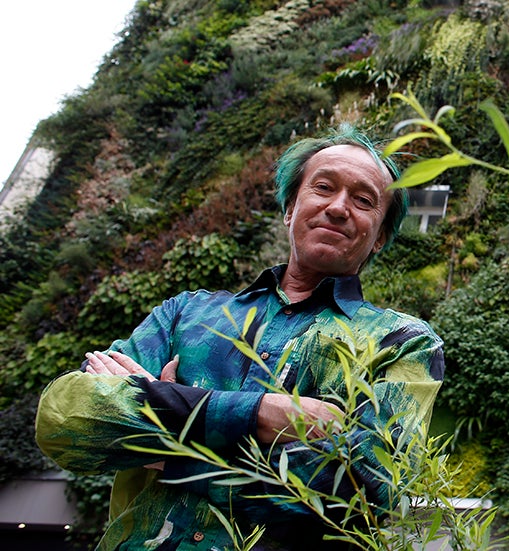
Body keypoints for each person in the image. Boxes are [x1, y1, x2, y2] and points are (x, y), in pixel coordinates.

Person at [34, 125, 445, 550]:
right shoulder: (184, 315)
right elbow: (66, 418)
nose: (339, 207)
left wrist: (172, 438)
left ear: (379, 237)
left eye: (363, 200)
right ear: (290, 208)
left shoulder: (400, 342)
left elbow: (370, 484)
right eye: (324, 187)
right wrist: (262, 414)